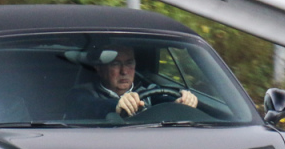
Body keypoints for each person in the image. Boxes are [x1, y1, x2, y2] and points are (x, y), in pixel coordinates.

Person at [64, 45, 198, 120]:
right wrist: (116, 106)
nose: (124, 71)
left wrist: (180, 103)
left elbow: (164, 101)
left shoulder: (149, 91)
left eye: (129, 63)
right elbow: (85, 106)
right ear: (99, 68)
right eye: (115, 64)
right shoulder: (81, 93)